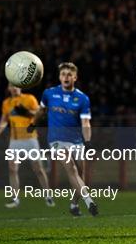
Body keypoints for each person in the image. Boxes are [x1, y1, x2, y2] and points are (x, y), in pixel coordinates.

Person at [29, 62, 98, 217]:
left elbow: (85, 123)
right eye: (63, 74)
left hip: (76, 141)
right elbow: (41, 111)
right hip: (56, 140)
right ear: (59, 77)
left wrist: (87, 141)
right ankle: (90, 202)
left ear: (75, 77)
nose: (65, 77)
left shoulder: (82, 99)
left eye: (69, 74)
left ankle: (74, 205)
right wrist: (33, 123)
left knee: (82, 176)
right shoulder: (49, 93)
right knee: (71, 168)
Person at [0, 83, 54, 208]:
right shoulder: (6, 103)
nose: (14, 88)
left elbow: (40, 114)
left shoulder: (29, 98)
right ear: (9, 88)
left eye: (16, 86)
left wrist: (26, 112)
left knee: (38, 169)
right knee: (12, 169)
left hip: (30, 139)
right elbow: (4, 120)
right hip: (14, 140)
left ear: (20, 87)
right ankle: (15, 199)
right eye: (12, 86)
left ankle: (48, 196)